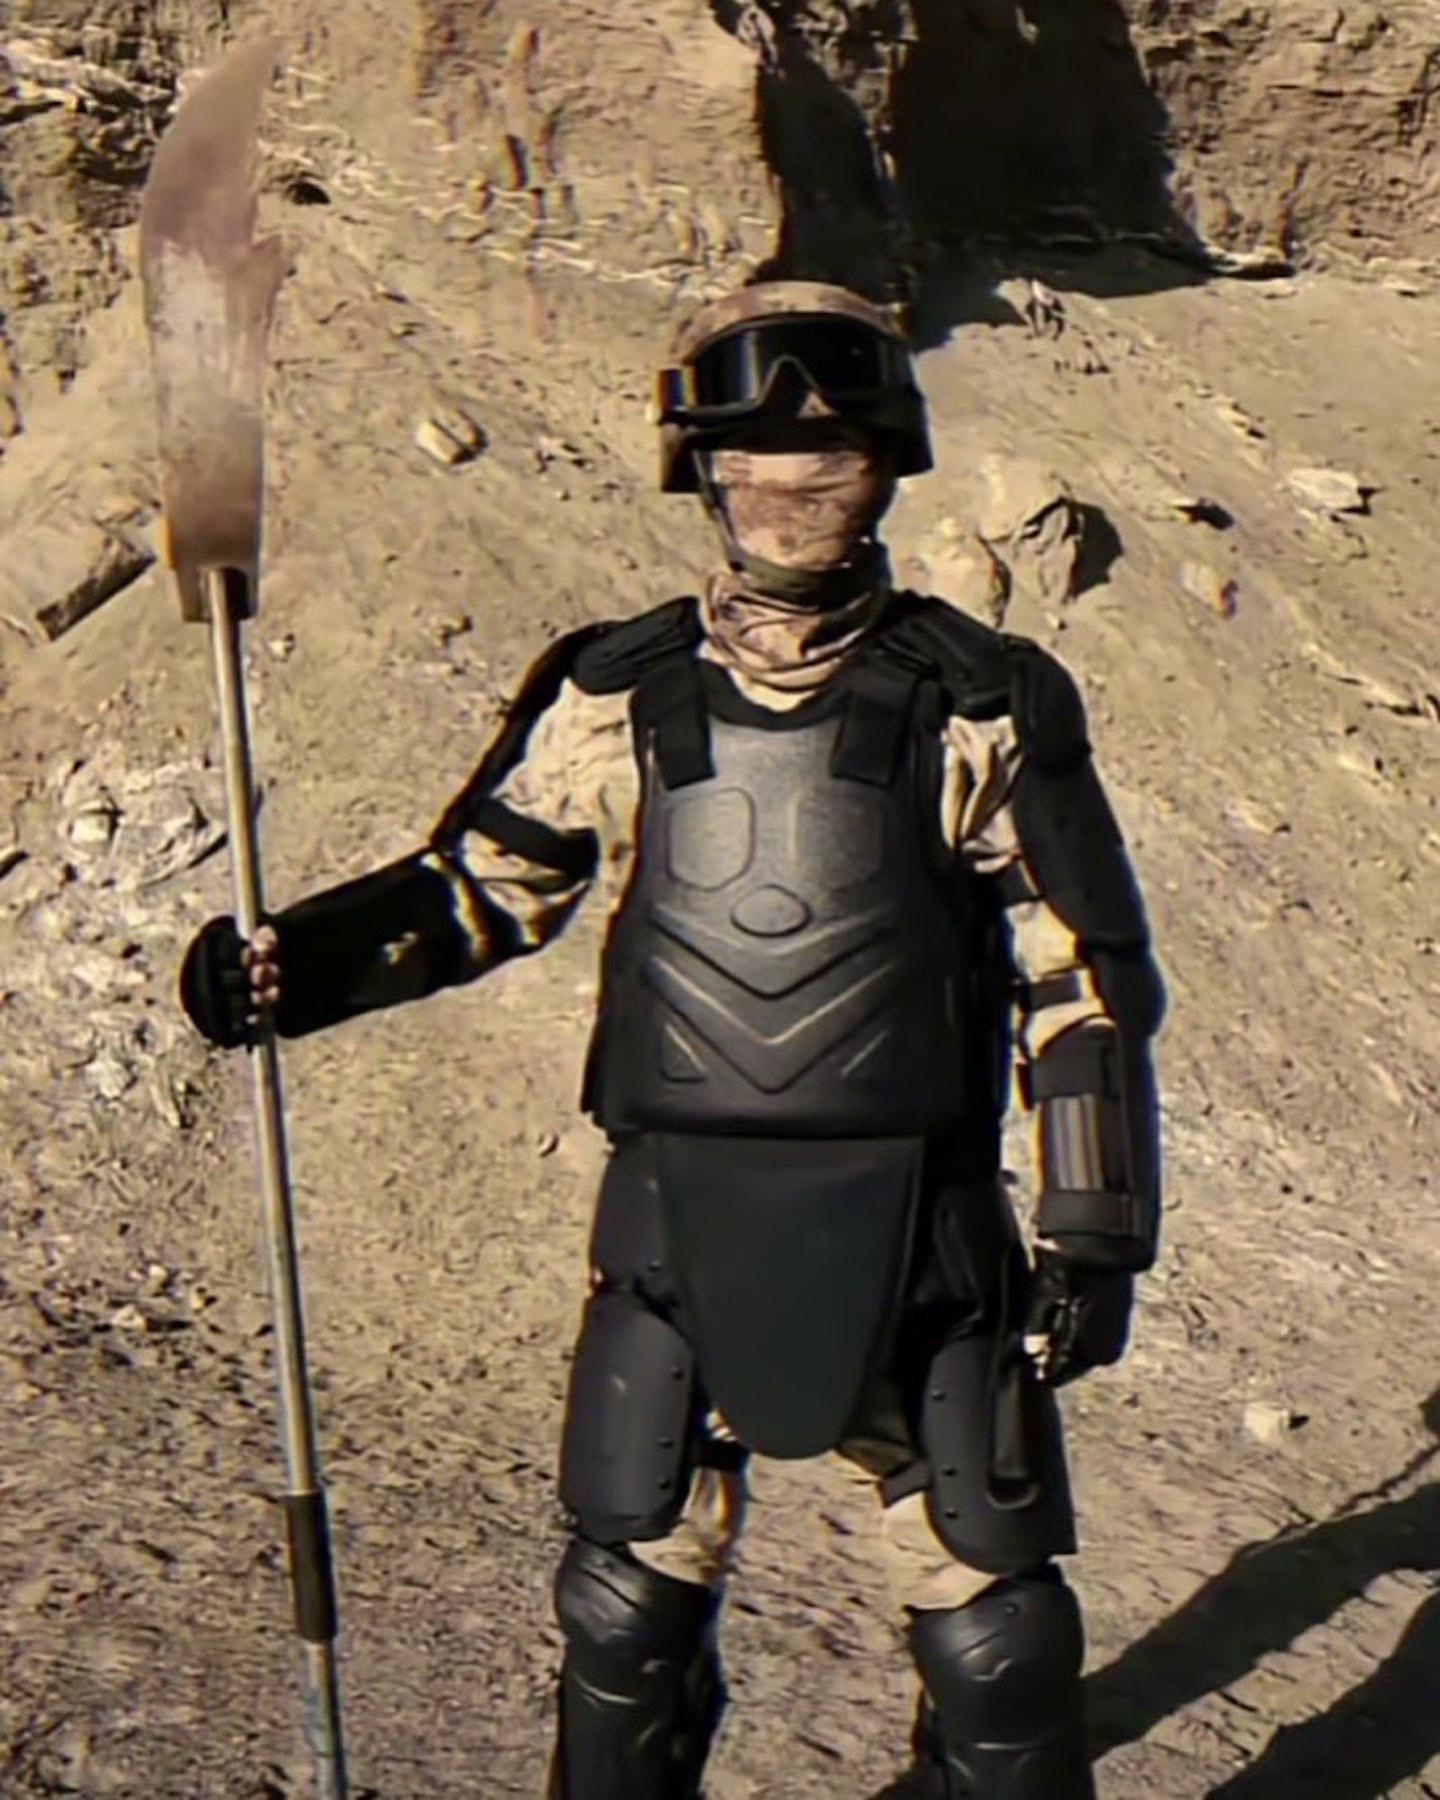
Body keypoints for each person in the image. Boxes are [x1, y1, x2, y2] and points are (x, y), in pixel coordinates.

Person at [179, 280, 1165, 1799]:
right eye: (754, 459)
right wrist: (288, 969)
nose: (789, 486)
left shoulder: (984, 702)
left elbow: (1079, 982)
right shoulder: (616, 693)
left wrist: (1095, 1233)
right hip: (674, 1220)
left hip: (928, 1232)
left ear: (885, 466)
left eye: (827, 460)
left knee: (998, 1638)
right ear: (702, 469)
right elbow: (479, 891)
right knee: (625, 1606)